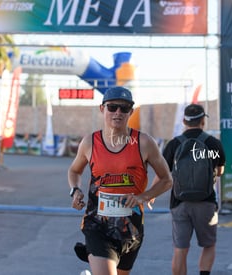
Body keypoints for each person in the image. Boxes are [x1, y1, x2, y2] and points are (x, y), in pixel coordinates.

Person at [67, 86, 173, 275]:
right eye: (112, 107)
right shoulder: (90, 142)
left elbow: (166, 179)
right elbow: (74, 171)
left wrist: (145, 196)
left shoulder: (144, 143)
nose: (118, 112)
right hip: (97, 225)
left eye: (124, 108)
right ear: (102, 109)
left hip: (131, 228)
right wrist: (75, 190)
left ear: (131, 112)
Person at [155, 104, 225, 275]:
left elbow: (162, 174)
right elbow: (219, 172)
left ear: (184, 121)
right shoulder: (213, 143)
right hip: (206, 201)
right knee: (208, 244)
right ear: (203, 121)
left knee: (180, 249)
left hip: (179, 202)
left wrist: (149, 195)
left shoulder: (173, 144)